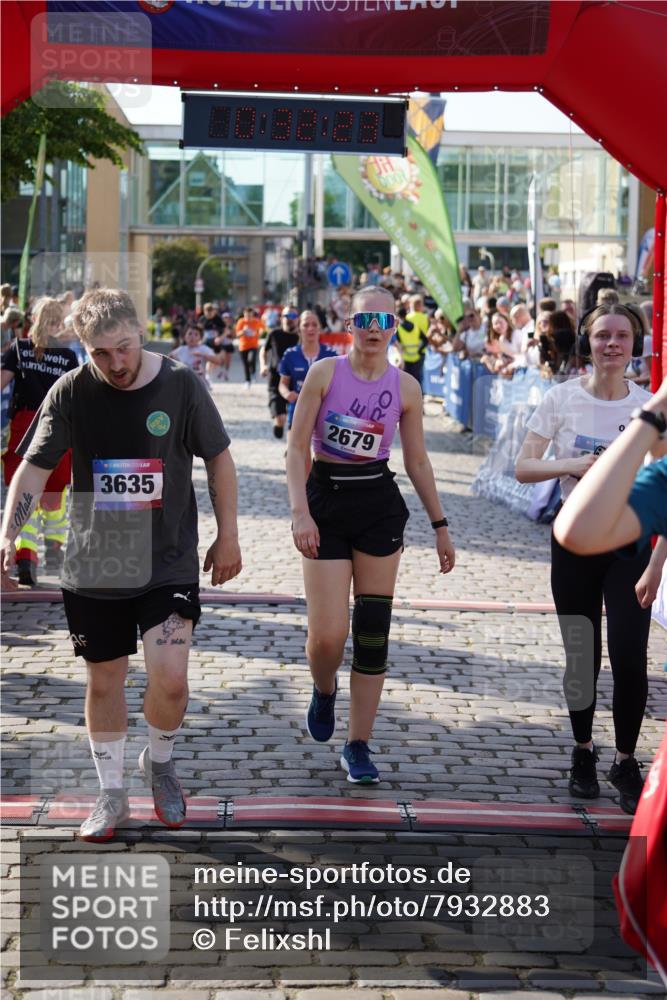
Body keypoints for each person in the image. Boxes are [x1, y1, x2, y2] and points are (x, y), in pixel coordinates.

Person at [0, 288, 242, 840]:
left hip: (168, 556)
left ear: (140, 330)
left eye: (124, 347)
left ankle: (159, 761)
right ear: (84, 349)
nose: (116, 363)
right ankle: (111, 795)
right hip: (98, 558)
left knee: (171, 680)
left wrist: (229, 535)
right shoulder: (71, 391)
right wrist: (7, 535)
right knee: (105, 679)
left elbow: (219, 458)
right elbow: (33, 470)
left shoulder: (181, 384)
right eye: (101, 354)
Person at [286, 286, 455, 784]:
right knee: (329, 635)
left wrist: (441, 526)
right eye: (365, 319)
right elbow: (296, 450)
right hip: (326, 502)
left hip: (378, 504)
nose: (374, 328)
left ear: (396, 324)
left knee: (373, 633)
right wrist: (300, 513)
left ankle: (357, 743)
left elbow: (417, 460)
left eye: (384, 319)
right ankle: (324, 688)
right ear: (350, 322)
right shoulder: (324, 374)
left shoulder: (406, 388)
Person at [515, 302, 662, 815]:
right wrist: (575, 463)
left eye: (623, 335)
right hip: (574, 543)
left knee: (629, 655)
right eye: (603, 336)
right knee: (582, 655)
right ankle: (583, 752)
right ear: (588, 342)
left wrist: (657, 564)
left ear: (635, 344)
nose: (613, 344)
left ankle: (625, 759)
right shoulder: (561, 399)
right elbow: (523, 467)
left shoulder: (649, 407)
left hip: (631, 547)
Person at [1, 297, 78, 585]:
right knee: (54, 492)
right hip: (58, 426)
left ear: (32, 318)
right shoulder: (69, 357)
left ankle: (26, 556)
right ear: (59, 323)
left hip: (24, 426)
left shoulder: (18, 350)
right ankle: (55, 547)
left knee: (23, 491)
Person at [279, 310, 337, 443]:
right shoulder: (290, 354)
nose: (310, 328)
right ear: (299, 329)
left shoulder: (332, 354)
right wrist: (287, 394)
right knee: (296, 453)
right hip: (298, 409)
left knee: (323, 458)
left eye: (314, 325)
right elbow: (283, 383)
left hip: (326, 412)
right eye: (305, 325)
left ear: (320, 328)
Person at [259, 306, 299, 439]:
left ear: (298, 319)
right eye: (286, 316)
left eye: (292, 316)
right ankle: (279, 423)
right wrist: (263, 365)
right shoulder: (274, 334)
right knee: (281, 417)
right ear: (281, 318)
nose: (289, 319)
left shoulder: (301, 338)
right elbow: (263, 351)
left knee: (295, 420)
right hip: (276, 379)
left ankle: (291, 445)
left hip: (295, 381)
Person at [394, 305, 429, 386]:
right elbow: (425, 340)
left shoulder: (398, 329)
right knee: (416, 381)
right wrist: (419, 351)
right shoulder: (416, 326)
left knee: (404, 383)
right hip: (416, 358)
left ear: (397, 315)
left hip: (404, 360)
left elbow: (396, 345)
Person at [235, 306, 263, 388]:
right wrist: (243, 331)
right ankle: (247, 380)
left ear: (253, 315)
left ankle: (253, 372)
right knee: (245, 364)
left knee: (251, 360)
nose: (248, 318)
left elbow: (263, 329)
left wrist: (261, 332)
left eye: (250, 316)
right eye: (247, 316)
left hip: (253, 345)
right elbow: (237, 335)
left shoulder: (256, 321)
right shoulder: (241, 322)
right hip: (243, 346)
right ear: (244, 315)